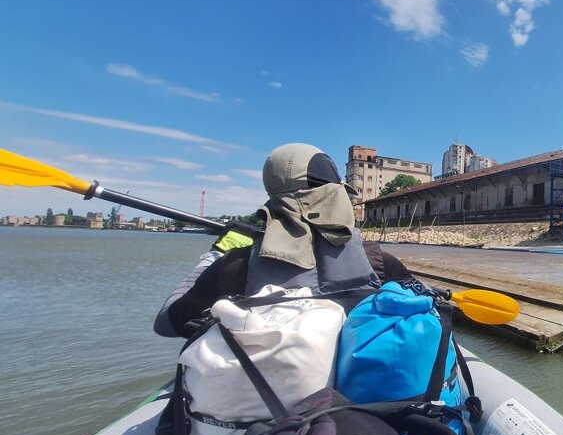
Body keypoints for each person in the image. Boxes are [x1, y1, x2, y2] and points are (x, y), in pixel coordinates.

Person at [154, 143, 410, 338]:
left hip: (273, 401)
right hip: (356, 397)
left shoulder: (236, 266)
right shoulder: (378, 260)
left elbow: (167, 322)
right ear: (336, 194)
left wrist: (217, 255)